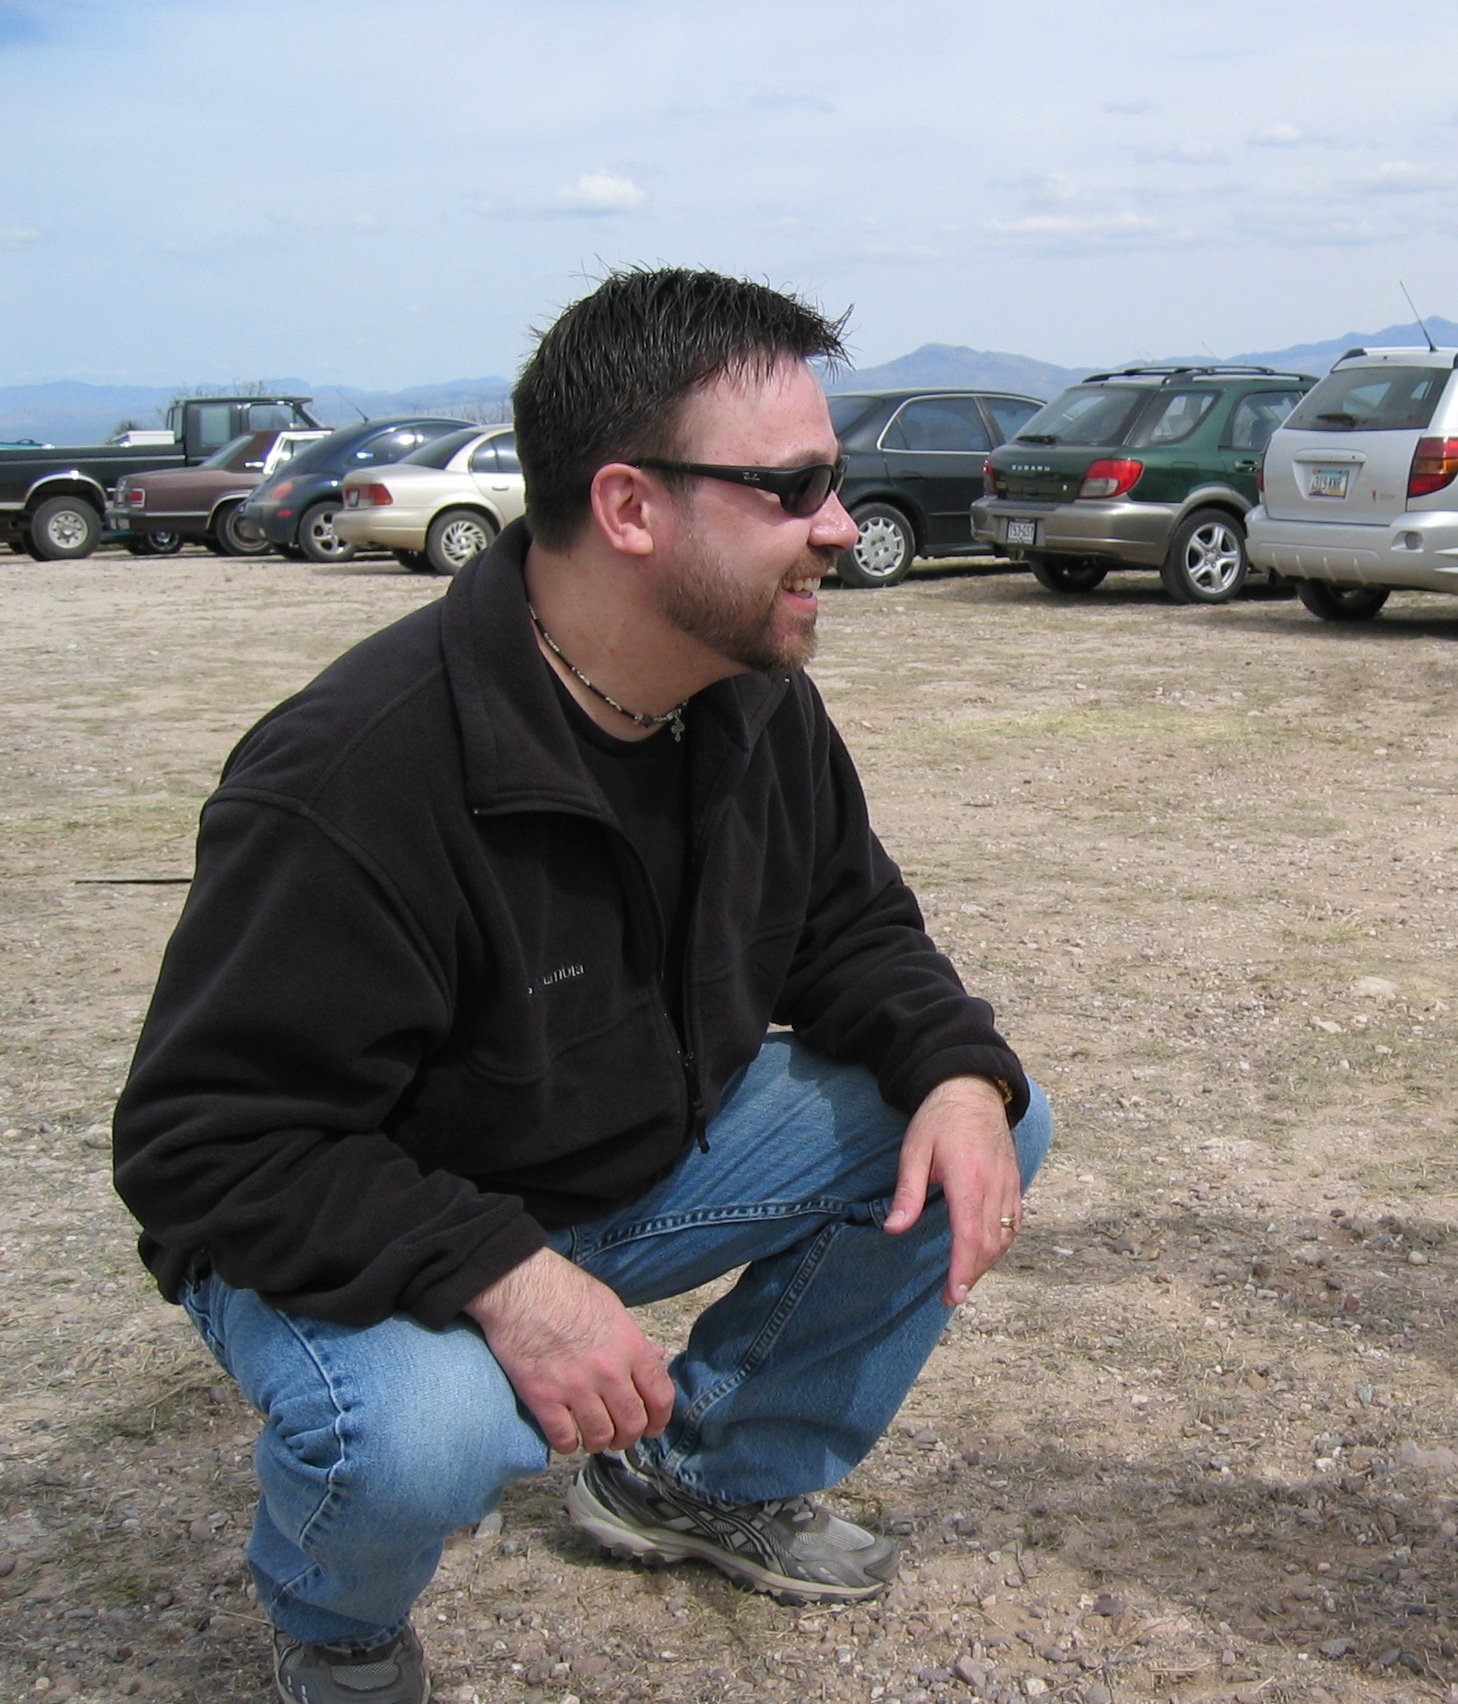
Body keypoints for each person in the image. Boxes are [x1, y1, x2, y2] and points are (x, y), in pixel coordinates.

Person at [111, 267, 1051, 1704]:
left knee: (975, 1113)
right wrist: (503, 1278)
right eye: (794, 488)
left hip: (609, 1182)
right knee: (422, 1437)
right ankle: (339, 1631)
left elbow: (853, 931)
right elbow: (204, 1147)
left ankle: (699, 1479)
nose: (842, 529)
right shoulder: (354, 778)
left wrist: (961, 1074)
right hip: (366, 1247)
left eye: (836, 482)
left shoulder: (753, 699)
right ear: (629, 508)